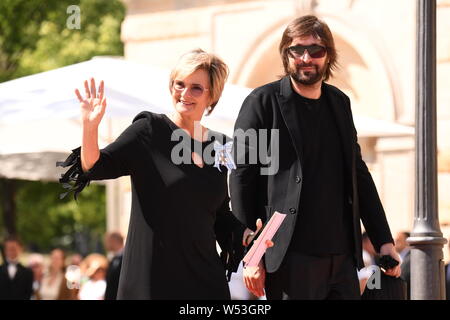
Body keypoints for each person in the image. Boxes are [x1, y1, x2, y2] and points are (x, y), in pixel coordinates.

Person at [57, 49, 268, 299]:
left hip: (205, 283)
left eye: (196, 88)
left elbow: (218, 213)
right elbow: (96, 165)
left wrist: (246, 235)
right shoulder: (149, 130)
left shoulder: (220, 146)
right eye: (179, 84)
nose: (185, 94)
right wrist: (90, 128)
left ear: (212, 95)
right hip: (152, 281)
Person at [230, 15, 401, 300]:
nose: (306, 57)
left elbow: (358, 175)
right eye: (297, 50)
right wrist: (251, 255)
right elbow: (242, 179)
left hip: (342, 257)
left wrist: (383, 241)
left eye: (316, 50)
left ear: (328, 56)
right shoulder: (262, 103)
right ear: (286, 55)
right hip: (289, 258)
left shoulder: (339, 103)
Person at [104, 231, 124, 300]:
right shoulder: (113, 259)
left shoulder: (125, 258)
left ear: (114, 241)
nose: (105, 244)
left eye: (107, 241)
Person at [395, 231, 410, 299]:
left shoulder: (410, 258)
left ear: (407, 242)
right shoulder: (400, 258)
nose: (395, 243)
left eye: (398, 241)